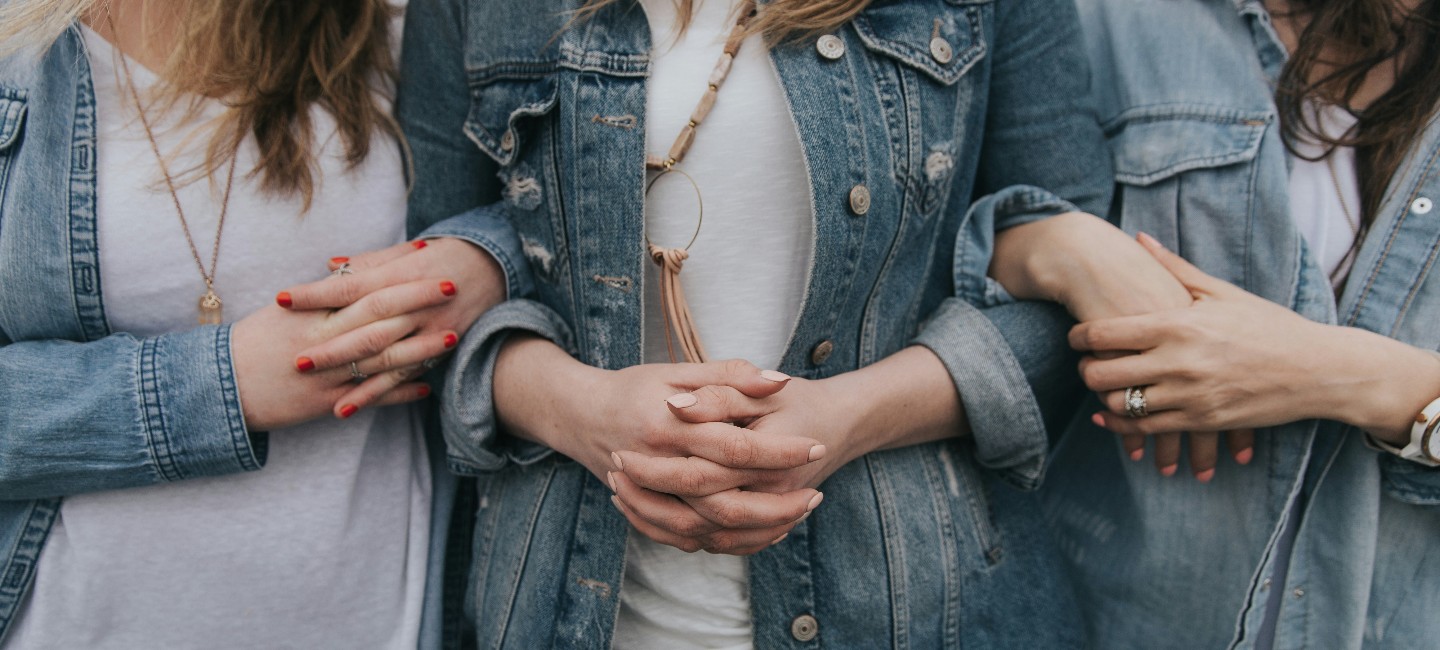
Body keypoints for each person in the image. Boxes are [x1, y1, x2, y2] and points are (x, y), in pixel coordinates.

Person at [399, 0, 1125, 646]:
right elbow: (437, 309)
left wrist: (849, 417)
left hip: (916, 600)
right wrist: (580, 410)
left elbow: (1077, 304)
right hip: (564, 607)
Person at [0, 1, 524, 646]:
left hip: (376, 620)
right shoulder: (17, 48)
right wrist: (225, 384)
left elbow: (540, 205)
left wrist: (484, 260)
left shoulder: (390, 31)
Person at [988, 0, 1440, 646]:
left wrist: (1341, 376)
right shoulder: (1114, 19)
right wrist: (1057, 246)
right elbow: (931, 260)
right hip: (1115, 611)